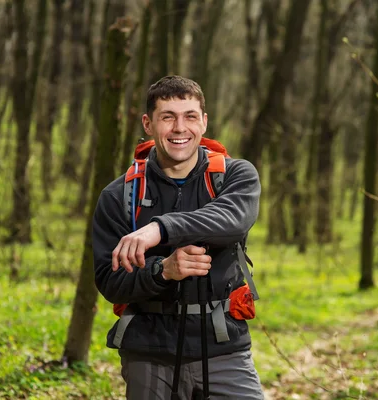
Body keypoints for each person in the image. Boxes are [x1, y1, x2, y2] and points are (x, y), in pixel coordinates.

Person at [93, 76, 264, 399]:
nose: (179, 128)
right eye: (167, 117)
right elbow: (109, 281)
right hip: (148, 351)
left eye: (189, 116)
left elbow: (232, 220)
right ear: (148, 123)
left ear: (204, 122)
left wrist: (158, 228)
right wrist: (163, 270)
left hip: (223, 348)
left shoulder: (235, 175)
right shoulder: (120, 195)